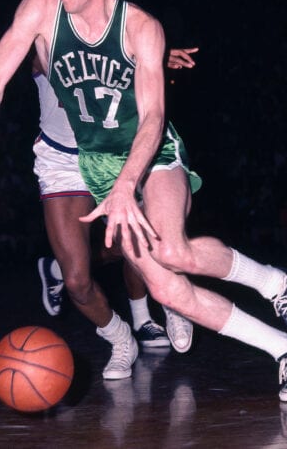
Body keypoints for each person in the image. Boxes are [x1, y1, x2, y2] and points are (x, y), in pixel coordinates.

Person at [0, 0, 287, 402]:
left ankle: (277, 283)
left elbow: (153, 118)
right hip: (98, 165)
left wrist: (128, 185)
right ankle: (284, 350)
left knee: (173, 250)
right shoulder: (41, 9)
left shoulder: (143, 27)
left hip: (151, 155)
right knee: (167, 290)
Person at [33, 48, 196, 354]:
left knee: (143, 238)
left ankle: (149, 316)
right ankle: (120, 339)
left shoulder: (104, 31)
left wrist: (150, 56)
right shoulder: (42, 36)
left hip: (111, 152)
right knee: (77, 281)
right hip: (64, 163)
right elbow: (53, 61)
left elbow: (120, 54)